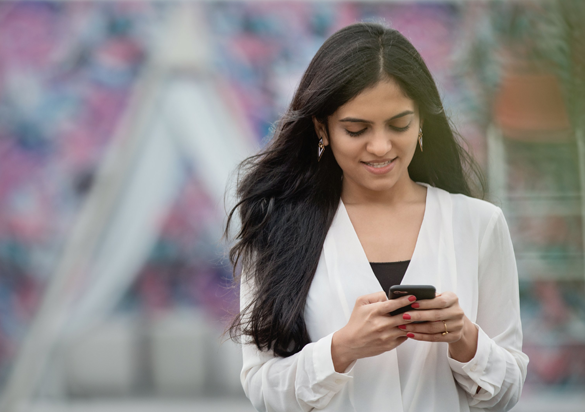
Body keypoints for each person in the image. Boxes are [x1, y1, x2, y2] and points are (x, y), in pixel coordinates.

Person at [225, 22, 528, 412]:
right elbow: (262, 390)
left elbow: (507, 391)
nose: (381, 146)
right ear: (323, 129)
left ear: (421, 122)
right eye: (356, 129)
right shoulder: (277, 228)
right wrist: (342, 348)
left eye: (399, 125)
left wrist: (464, 337)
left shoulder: (480, 225)